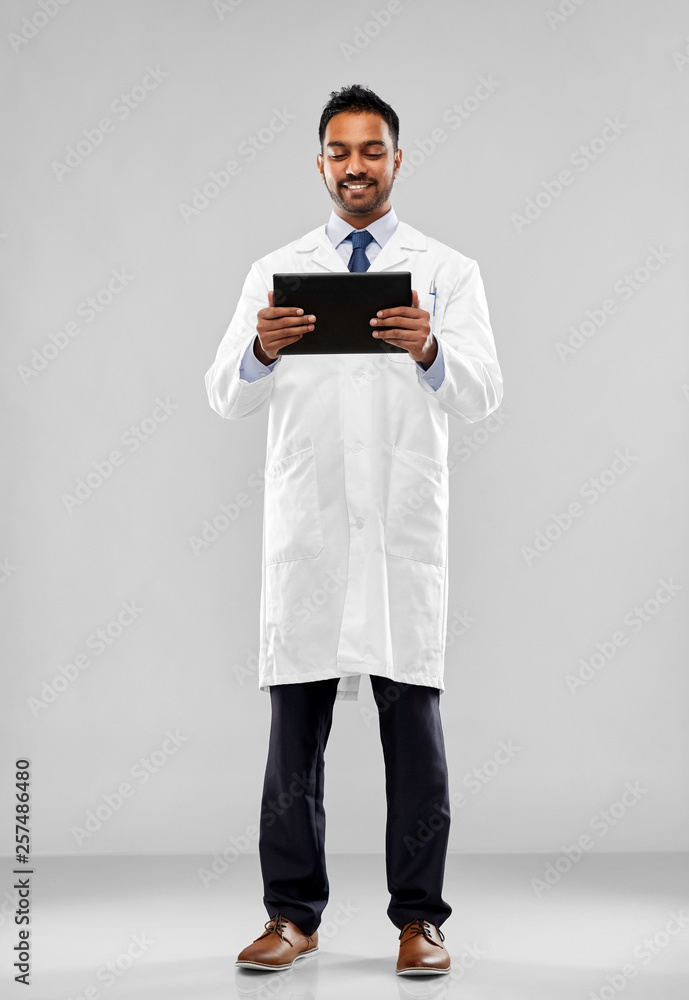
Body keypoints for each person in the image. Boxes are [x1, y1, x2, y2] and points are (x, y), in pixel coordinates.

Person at [204, 83, 503, 977]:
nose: (356, 167)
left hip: (400, 537)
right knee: (293, 736)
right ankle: (291, 917)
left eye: (372, 150)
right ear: (321, 163)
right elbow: (222, 393)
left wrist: (430, 350)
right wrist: (260, 348)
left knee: (413, 733)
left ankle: (420, 921)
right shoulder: (273, 271)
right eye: (340, 152)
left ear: (397, 160)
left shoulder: (447, 272)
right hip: (310, 538)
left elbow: (485, 392)